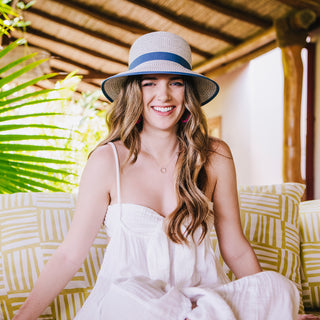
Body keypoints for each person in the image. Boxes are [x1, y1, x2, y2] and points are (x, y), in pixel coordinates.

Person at [13, 31, 316, 320]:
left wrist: (268, 302)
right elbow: (69, 255)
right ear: (135, 91)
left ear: (189, 92)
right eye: (149, 83)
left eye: (176, 83)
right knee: (129, 290)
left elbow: (235, 247)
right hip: (133, 308)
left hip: (202, 301)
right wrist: (25, 315)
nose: (163, 94)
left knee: (279, 287)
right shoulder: (107, 161)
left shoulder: (215, 155)